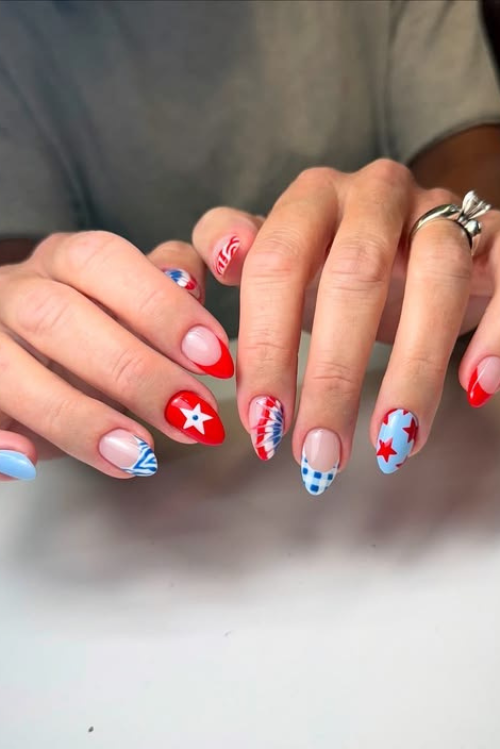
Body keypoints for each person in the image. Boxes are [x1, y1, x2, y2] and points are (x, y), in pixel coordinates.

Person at [1, 0, 500, 495]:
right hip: (100, 512)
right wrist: (33, 331)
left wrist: (444, 248)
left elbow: (473, 173)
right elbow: (20, 266)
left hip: (435, 473)